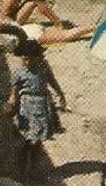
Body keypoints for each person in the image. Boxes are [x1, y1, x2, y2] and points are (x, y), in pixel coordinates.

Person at [6, 41, 65, 172]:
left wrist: (61, 95)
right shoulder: (19, 73)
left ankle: (33, 169)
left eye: (31, 59)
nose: (28, 62)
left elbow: (53, 82)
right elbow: (14, 94)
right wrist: (10, 106)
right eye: (25, 59)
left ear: (38, 58)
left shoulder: (43, 70)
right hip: (26, 107)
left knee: (37, 141)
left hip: (41, 106)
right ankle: (22, 167)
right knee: (28, 139)